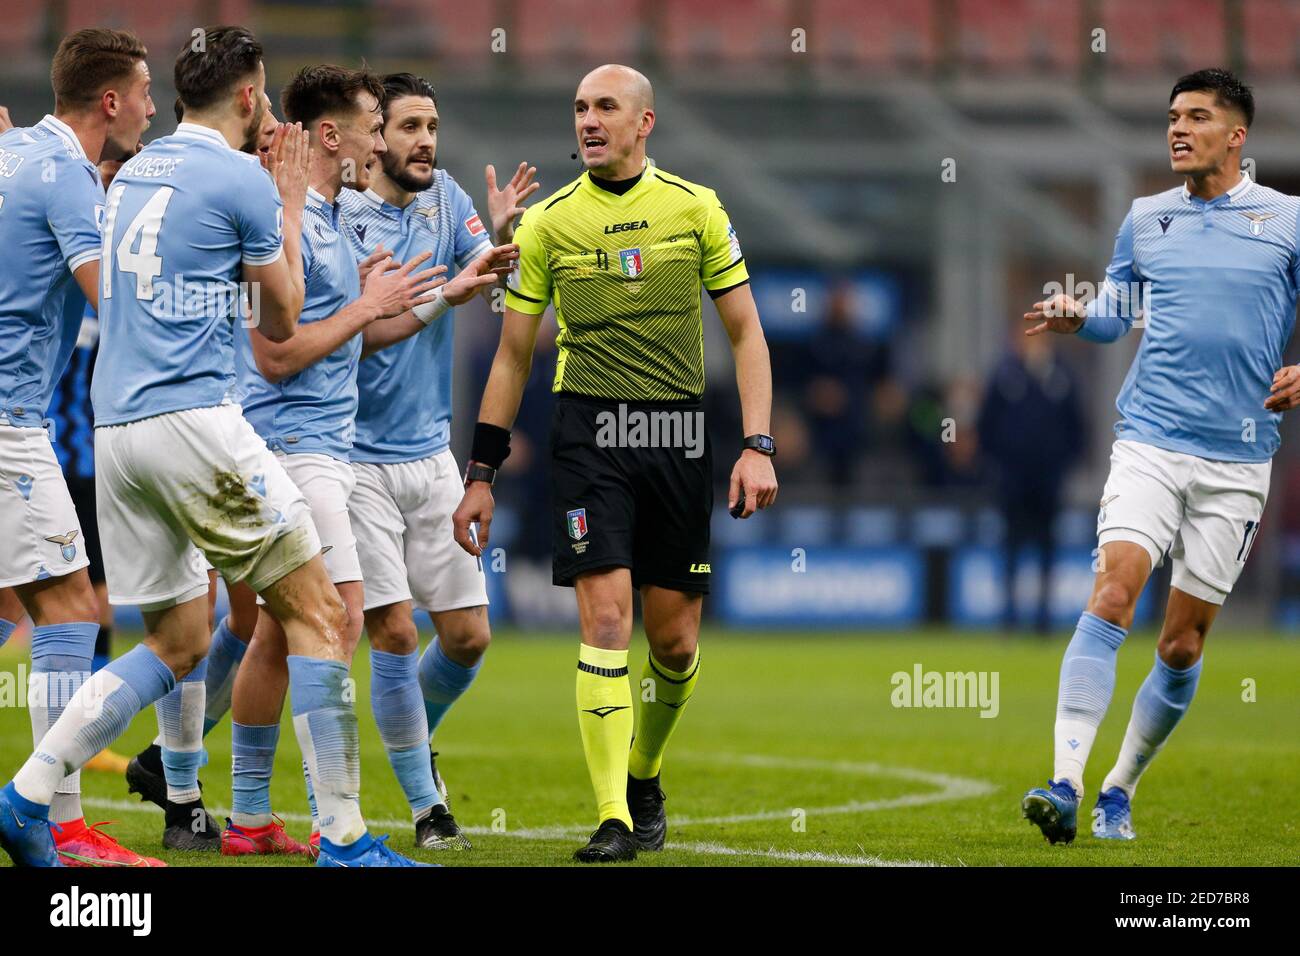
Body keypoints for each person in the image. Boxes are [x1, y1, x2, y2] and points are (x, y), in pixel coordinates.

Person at [0, 26, 423, 869]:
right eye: (263, 93)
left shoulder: (124, 178)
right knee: (318, 612)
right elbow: (280, 321)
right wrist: (290, 206)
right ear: (247, 97)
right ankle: (343, 838)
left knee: (180, 641)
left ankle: (26, 797)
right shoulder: (242, 180)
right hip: (196, 422)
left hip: (115, 435)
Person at [453, 64, 779, 862]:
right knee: (605, 621)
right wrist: (482, 473)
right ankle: (611, 818)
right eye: (578, 109)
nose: (588, 121)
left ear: (645, 123)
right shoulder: (547, 225)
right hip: (588, 436)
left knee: (672, 645)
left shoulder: (697, 210)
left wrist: (757, 444)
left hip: (676, 437)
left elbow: (745, 333)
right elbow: (511, 359)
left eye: (605, 107)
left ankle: (644, 771)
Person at [1020, 69, 1300, 844]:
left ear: (1237, 135)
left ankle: (1119, 786)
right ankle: (1066, 783)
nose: (1178, 129)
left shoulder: (1287, 220)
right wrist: (1086, 317)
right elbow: (1120, 312)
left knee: (1181, 643)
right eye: (1173, 116)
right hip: (1149, 439)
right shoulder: (1146, 219)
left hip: (1238, 462)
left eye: (1198, 117)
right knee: (1114, 591)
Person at [338, 72, 529, 849]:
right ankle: (427, 809)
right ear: (374, 135)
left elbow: (487, 277)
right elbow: (343, 333)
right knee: (389, 633)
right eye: (411, 126)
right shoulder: (337, 216)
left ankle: (413, 741)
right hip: (352, 458)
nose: (426, 141)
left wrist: (507, 243)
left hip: (430, 453)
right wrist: (454, 290)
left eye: (434, 126)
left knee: (468, 637)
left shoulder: (448, 197)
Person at [0, 29, 160, 867]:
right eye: (142, 91)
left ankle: (54, 821)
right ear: (109, 101)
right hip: (10, 422)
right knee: (69, 609)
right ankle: (54, 822)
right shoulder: (63, 175)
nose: (150, 106)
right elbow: (118, 307)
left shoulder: (19, 150)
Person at [977, 320, 1086, 633]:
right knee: (1010, 546)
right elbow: (987, 425)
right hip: (1012, 480)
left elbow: (1077, 426)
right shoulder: (1004, 375)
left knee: (1047, 548)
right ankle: (1009, 617)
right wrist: (999, 465)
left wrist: (1062, 465)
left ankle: (1043, 618)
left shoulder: (1062, 376)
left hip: (1048, 480)